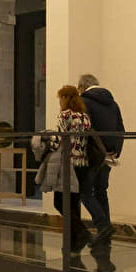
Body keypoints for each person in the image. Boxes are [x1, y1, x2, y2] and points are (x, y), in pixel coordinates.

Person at [46, 85, 93, 252]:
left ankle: (82, 232)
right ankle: (74, 243)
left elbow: (57, 140)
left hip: (68, 164)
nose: (59, 101)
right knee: (74, 203)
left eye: (60, 98)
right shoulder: (85, 117)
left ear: (65, 98)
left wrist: (47, 143)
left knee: (60, 201)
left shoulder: (65, 115)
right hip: (82, 163)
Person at [78, 73, 124, 245]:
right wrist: (115, 151)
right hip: (109, 155)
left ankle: (103, 225)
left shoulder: (84, 102)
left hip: (93, 155)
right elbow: (121, 128)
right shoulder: (113, 104)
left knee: (85, 192)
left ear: (82, 87)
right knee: (101, 191)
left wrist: (98, 151)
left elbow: (87, 129)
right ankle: (105, 231)